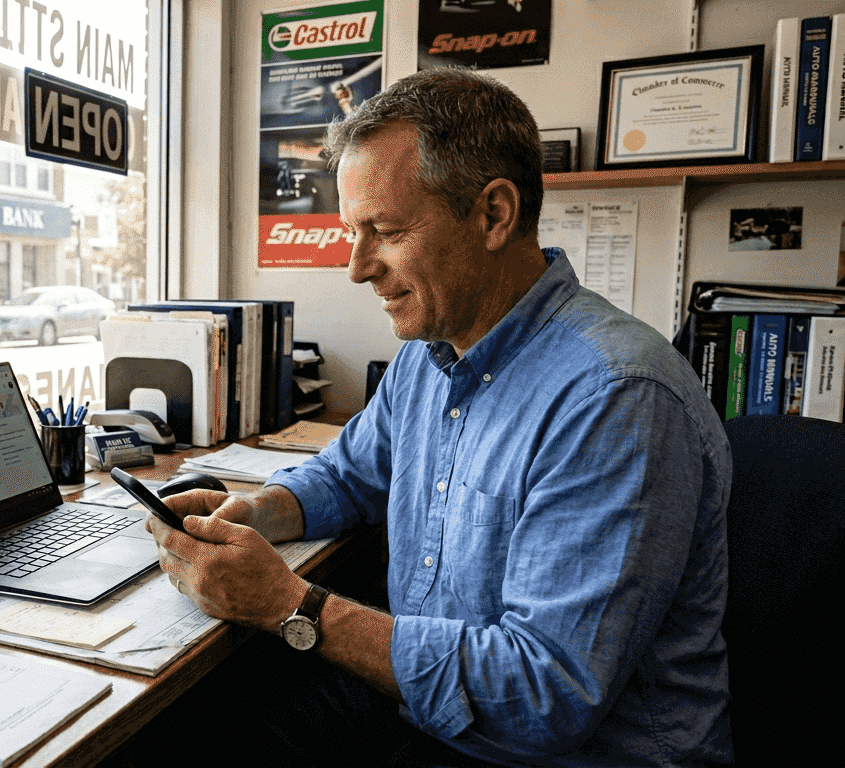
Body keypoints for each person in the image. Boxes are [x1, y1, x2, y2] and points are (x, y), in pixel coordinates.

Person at [140, 69, 732, 767]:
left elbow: (545, 695)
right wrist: (259, 512)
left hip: (554, 753)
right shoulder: (433, 352)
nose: (358, 269)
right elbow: (352, 475)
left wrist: (289, 606)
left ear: (493, 215)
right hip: (427, 712)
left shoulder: (615, 398)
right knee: (186, 734)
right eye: (351, 234)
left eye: (384, 232)